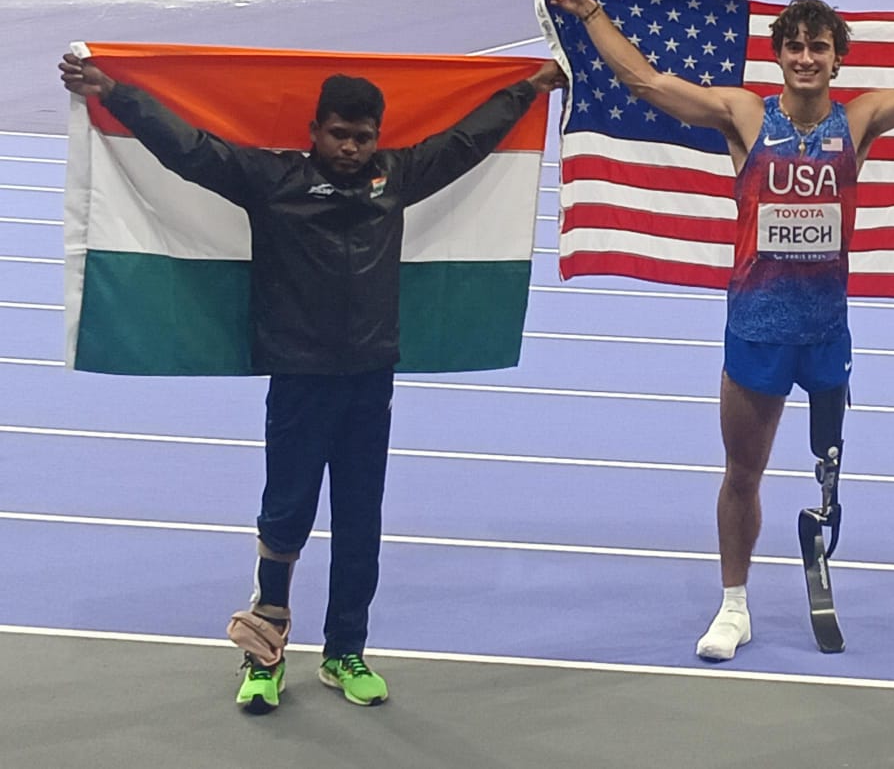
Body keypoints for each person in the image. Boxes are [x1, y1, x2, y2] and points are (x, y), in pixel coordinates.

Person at [57, 51, 566, 713]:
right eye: (339, 134)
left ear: (377, 136)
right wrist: (112, 93)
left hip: (370, 377)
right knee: (286, 514)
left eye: (362, 136)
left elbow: (468, 141)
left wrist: (529, 87)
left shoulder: (398, 176)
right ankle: (263, 653)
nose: (350, 148)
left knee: (359, 520)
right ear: (315, 130)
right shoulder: (272, 180)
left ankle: (344, 652)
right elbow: (189, 148)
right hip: (300, 377)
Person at [537, 0, 894, 663]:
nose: (805, 59)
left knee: (825, 468)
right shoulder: (746, 117)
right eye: (794, 48)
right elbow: (648, 83)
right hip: (756, 325)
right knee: (742, 472)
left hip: (825, 328)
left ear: (838, 58)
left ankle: (803, 553)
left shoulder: (858, 119)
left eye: (818, 48)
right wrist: (588, 8)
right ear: (778, 56)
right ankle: (733, 605)